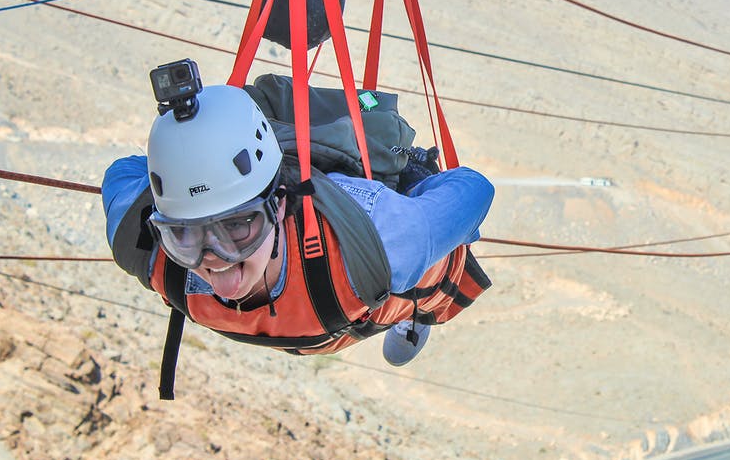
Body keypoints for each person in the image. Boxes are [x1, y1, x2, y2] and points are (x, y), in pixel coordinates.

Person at [102, 76, 494, 379]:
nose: (215, 261)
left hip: (372, 295)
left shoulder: (385, 233)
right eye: (183, 234)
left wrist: (410, 198)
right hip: (340, 307)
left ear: (281, 202)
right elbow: (470, 188)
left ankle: (415, 314)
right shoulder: (139, 239)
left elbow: (473, 190)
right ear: (161, 226)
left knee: (433, 266)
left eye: (238, 226)